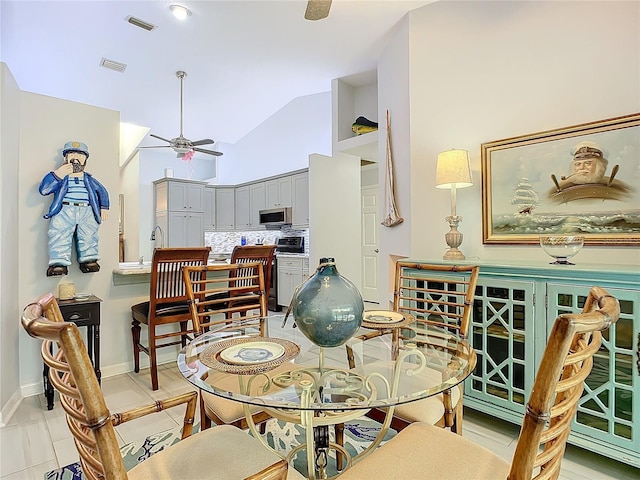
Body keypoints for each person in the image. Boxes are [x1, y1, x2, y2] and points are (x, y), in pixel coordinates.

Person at [39, 141, 109, 276]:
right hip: (65, 210)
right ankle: (59, 263)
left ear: (85, 160)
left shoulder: (88, 179)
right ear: (65, 158)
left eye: (80, 155)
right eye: (71, 154)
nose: (75, 158)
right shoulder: (61, 178)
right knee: (59, 233)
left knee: (89, 234)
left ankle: (89, 260)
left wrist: (104, 207)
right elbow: (44, 190)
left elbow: (102, 191)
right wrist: (57, 174)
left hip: (87, 211)